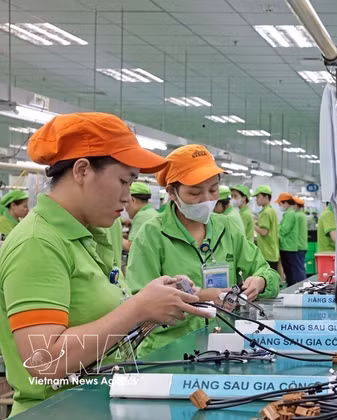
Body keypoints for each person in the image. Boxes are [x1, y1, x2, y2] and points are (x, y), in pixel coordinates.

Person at [0, 113, 210, 415]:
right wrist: (135, 309)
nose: (127, 197)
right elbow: (43, 362)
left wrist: (150, 308)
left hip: (97, 403)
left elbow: (100, 334)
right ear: (82, 170)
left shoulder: (90, 234)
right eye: (124, 181)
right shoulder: (38, 242)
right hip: (55, 410)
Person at [126, 144, 279, 356]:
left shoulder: (227, 228)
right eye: (195, 193)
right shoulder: (152, 235)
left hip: (223, 345)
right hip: (169, 351)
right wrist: (203, 297)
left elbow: (269, 273)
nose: (207, 199)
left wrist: (260, 281)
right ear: (172, 192)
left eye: (213, 190)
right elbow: (140, 307)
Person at [123, 181, 158, 250]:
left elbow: (131, 246)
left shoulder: (141, 216)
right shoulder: (151, 212)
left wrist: (115, 235)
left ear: (133, 200)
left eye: (125, 202)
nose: (125, 208)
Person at [276, 193, 303, 285]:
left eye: (280, 204)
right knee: (290, 271)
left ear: (286, 203)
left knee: (290, 272)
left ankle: (292, 288)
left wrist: (277, 225)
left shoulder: (290, 215)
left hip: (288, 247)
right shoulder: (289, 214)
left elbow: (284, 230)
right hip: (288, 246)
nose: (280, 206)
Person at [254, 186, 280, 270]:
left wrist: (252, 225)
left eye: (258, 197)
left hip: (267, 252)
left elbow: (264, 232)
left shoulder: (265, 212)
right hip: (272, 251)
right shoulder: (271, 210)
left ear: (266, 197)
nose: (256, 199)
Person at [294, 196, 309, 280]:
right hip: (303, 244)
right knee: (301, 267)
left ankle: (301, 284)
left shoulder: (296, 216)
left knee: (298, 269)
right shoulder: (302, 215)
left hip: (298, 245)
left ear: (296, 205)